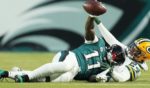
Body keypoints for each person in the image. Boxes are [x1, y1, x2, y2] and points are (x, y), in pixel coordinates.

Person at [0, 15, 150, 83]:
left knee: (51, 80)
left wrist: (105, 76)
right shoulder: (100, 44)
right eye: (134, 47)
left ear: (142, 57)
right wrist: (95, 19)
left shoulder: (123, 65)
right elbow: (100, 35)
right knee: (66, 66)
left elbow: (118, 77)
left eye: (137, 51)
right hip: (70, 58)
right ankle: (25, 76)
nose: (130, 50)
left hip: (76, 73)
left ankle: (15, 73)